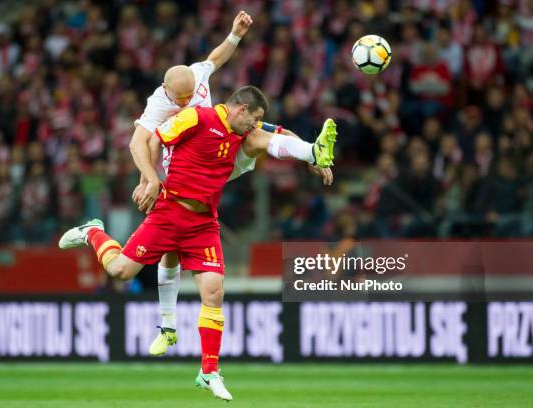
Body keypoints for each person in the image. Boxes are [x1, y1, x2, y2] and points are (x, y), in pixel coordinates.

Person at [59, 86, 337, 400]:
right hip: (169, 211)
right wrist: (149, 178)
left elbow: (278, 134)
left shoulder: (246, 131)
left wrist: (310, 156)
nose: (255, 124)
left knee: (214, 291)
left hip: (203, 222)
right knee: (120, 271)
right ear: (240, 109)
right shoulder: (196, 118)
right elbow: (152, 140)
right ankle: (92, 232)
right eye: (254, 117)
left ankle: (209, 371)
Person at [128, 10, 332, 358]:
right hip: (184, 169)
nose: (185, 102)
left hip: (219, 151)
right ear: (167, 92)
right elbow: (139, 142)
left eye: (189, 97)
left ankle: (312, 152)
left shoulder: (197, 76)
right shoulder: (158, 102)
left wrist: (235, 35)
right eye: (180, 100)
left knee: (258, 133)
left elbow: (215, 58)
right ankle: (168, 326)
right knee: (171, 248)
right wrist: (150, 179)